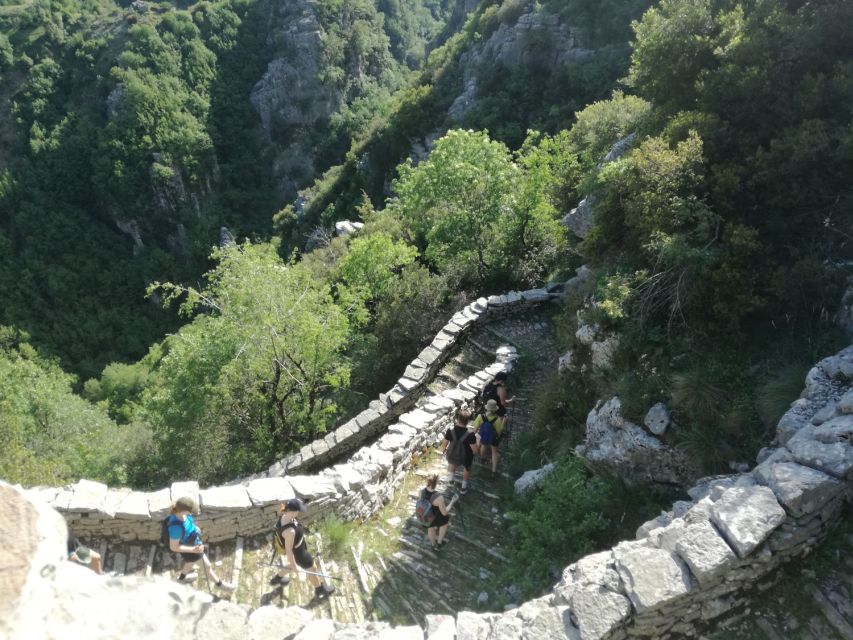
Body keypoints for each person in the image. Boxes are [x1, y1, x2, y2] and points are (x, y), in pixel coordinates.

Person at [270, 498, 335, 600]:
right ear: (292, 511)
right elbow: (289, 551)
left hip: (298, 550)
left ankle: (277, 579)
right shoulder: (290, 531)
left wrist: (293, 564)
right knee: (312, 569)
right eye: (298, 511)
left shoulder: (284, 517)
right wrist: (294, 567)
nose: (299, 513)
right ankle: (319, 590)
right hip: (300, 554)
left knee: (292, 564)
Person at [166, 496, 236, 592]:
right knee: (207, 566)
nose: (192, 513)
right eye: (190, 511)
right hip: (191, 549)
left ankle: (181, 579)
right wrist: (194, 550)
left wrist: (195, 528)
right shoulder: (175, 528)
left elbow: (188, 524)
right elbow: (173, 547)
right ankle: (219, 584)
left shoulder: (185, 515)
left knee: (190, 562)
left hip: (194, 543)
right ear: (183, 510)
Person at [419, 475, 459, 552]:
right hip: (434, 518)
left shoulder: (421, 491)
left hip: (425, 517)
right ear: (437, 482)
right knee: (445, 520)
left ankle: (433, 545)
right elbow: (444, 512)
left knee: (430, 527)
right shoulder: (439, 497)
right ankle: (439, 543)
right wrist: (452, 502)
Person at [443, 409, 478, 494]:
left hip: (452, 454)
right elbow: (475, 450)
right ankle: (463, 487)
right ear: (468, 421)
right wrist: (476, 452)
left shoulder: (450, 430)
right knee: (467, 468)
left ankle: (450, 481)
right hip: (465, 456)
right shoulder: (470, 434)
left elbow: (445, 443)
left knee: (452, 463)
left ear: (458, 419)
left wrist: (444, 450)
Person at [472, 399, 506, 478]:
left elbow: (475, 430)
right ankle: (493, 471)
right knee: (494, 452)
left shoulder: (481, 416)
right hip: (493, 438)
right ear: (495, 409)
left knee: (483, 445)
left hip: (483, 437)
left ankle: (483, 459)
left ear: (487, 408)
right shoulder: (497, 419)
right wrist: (503, 422)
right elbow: (499, 432)